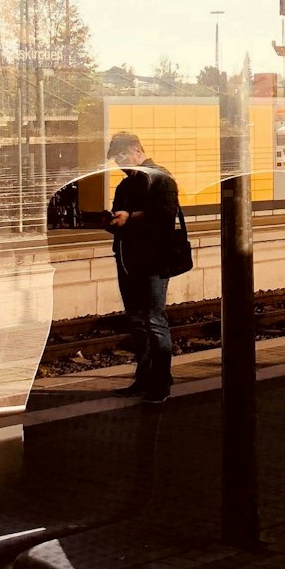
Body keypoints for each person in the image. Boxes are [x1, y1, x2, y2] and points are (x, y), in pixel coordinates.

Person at [105, 132, 182, 404]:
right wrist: (112, 220)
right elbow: (119, 213)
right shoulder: (125, 186)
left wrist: (131, 217)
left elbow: (165, 215)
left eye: (122, 158)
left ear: (137, 150)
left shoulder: (160, 178)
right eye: (116, 161)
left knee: (154, 320)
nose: (119, 165)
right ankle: (144, 377)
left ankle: (161, 382)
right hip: (127, 258)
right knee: (137, 321)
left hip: (154, 259)